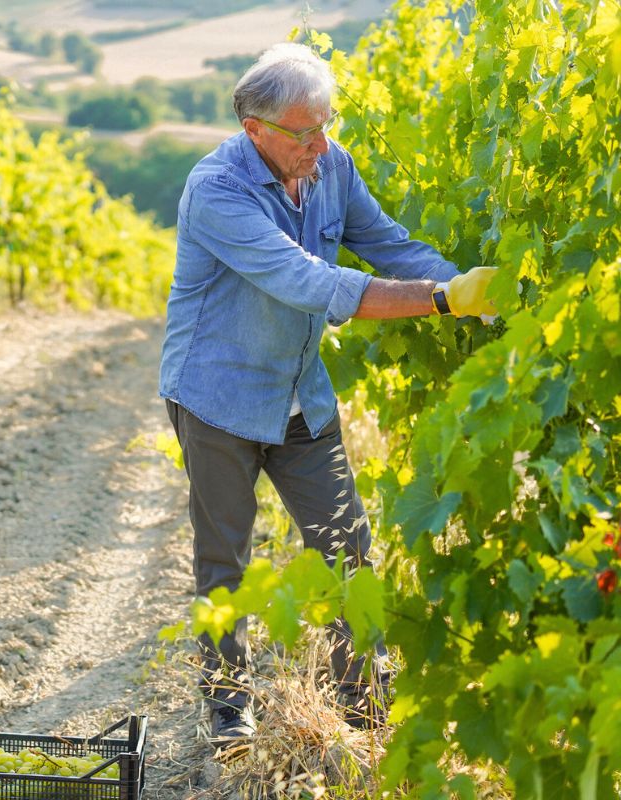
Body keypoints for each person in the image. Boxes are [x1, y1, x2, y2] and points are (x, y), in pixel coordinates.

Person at [158, 44, 497, 748]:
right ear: (256, 129)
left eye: (326, 125)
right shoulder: (216, 189)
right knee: (226, 556)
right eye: (303, 132)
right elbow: (308, 281)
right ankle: (228, 701)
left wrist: (473, 289)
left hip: (300, 395)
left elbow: (388, 244)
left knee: (348, 547)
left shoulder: (330, 166)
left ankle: (362, 694)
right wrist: (438, 300)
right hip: (216, 398)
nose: (320, 143)